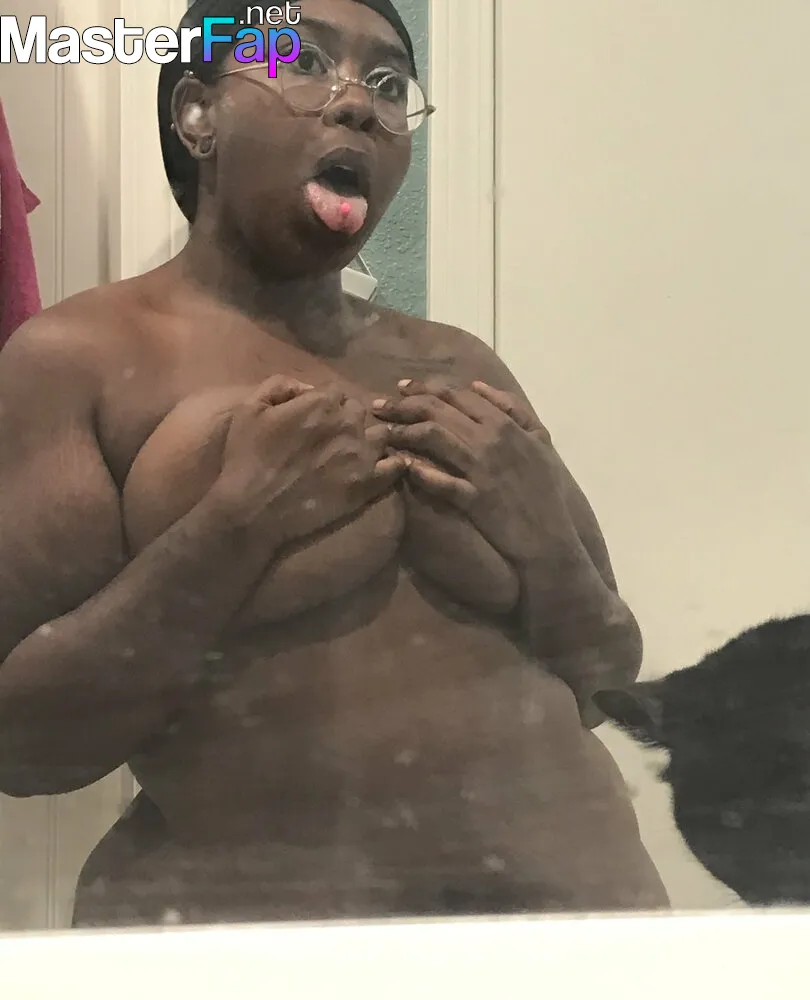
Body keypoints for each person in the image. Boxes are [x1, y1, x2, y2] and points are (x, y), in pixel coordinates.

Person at [0, 0, 668, 927]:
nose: (357, 103)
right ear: (197, 114)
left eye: (390, 83)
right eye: (303, 61)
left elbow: (607, 675)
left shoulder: (460, 364)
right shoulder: (79, 359)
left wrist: (547, 545)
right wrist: (233, 532)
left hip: (582, 935)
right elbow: (25, 745)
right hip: (261, 953)